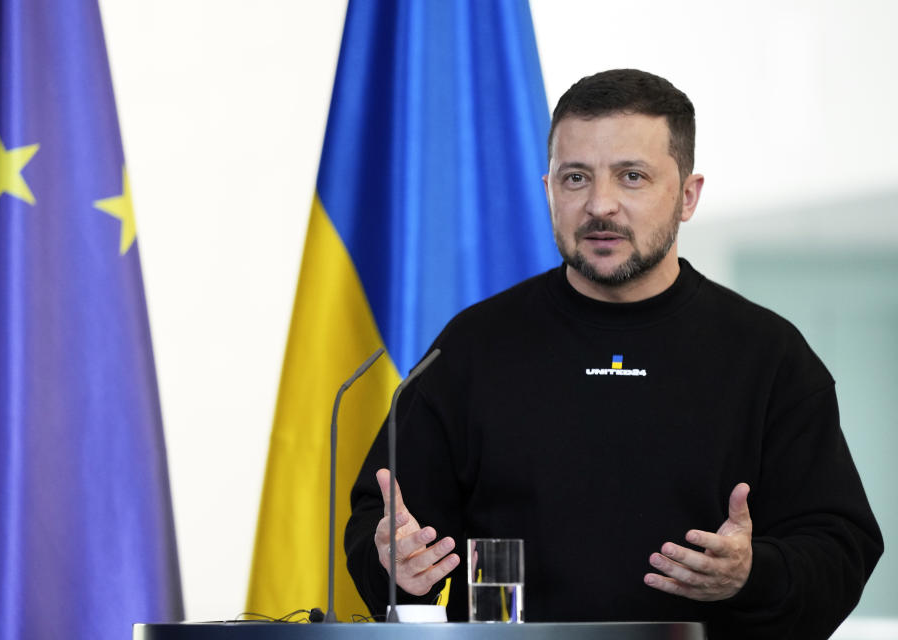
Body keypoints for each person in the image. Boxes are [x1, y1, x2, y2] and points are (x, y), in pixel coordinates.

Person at [344, 69, 883, 638]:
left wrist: (753, 573)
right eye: (576, 178)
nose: (601, 205)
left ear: (688, 196)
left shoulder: (768, 355)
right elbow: (384, 528)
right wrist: (394, 563)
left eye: (632, 177)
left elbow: (840, 549)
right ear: (548, 190)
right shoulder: (469, 348)